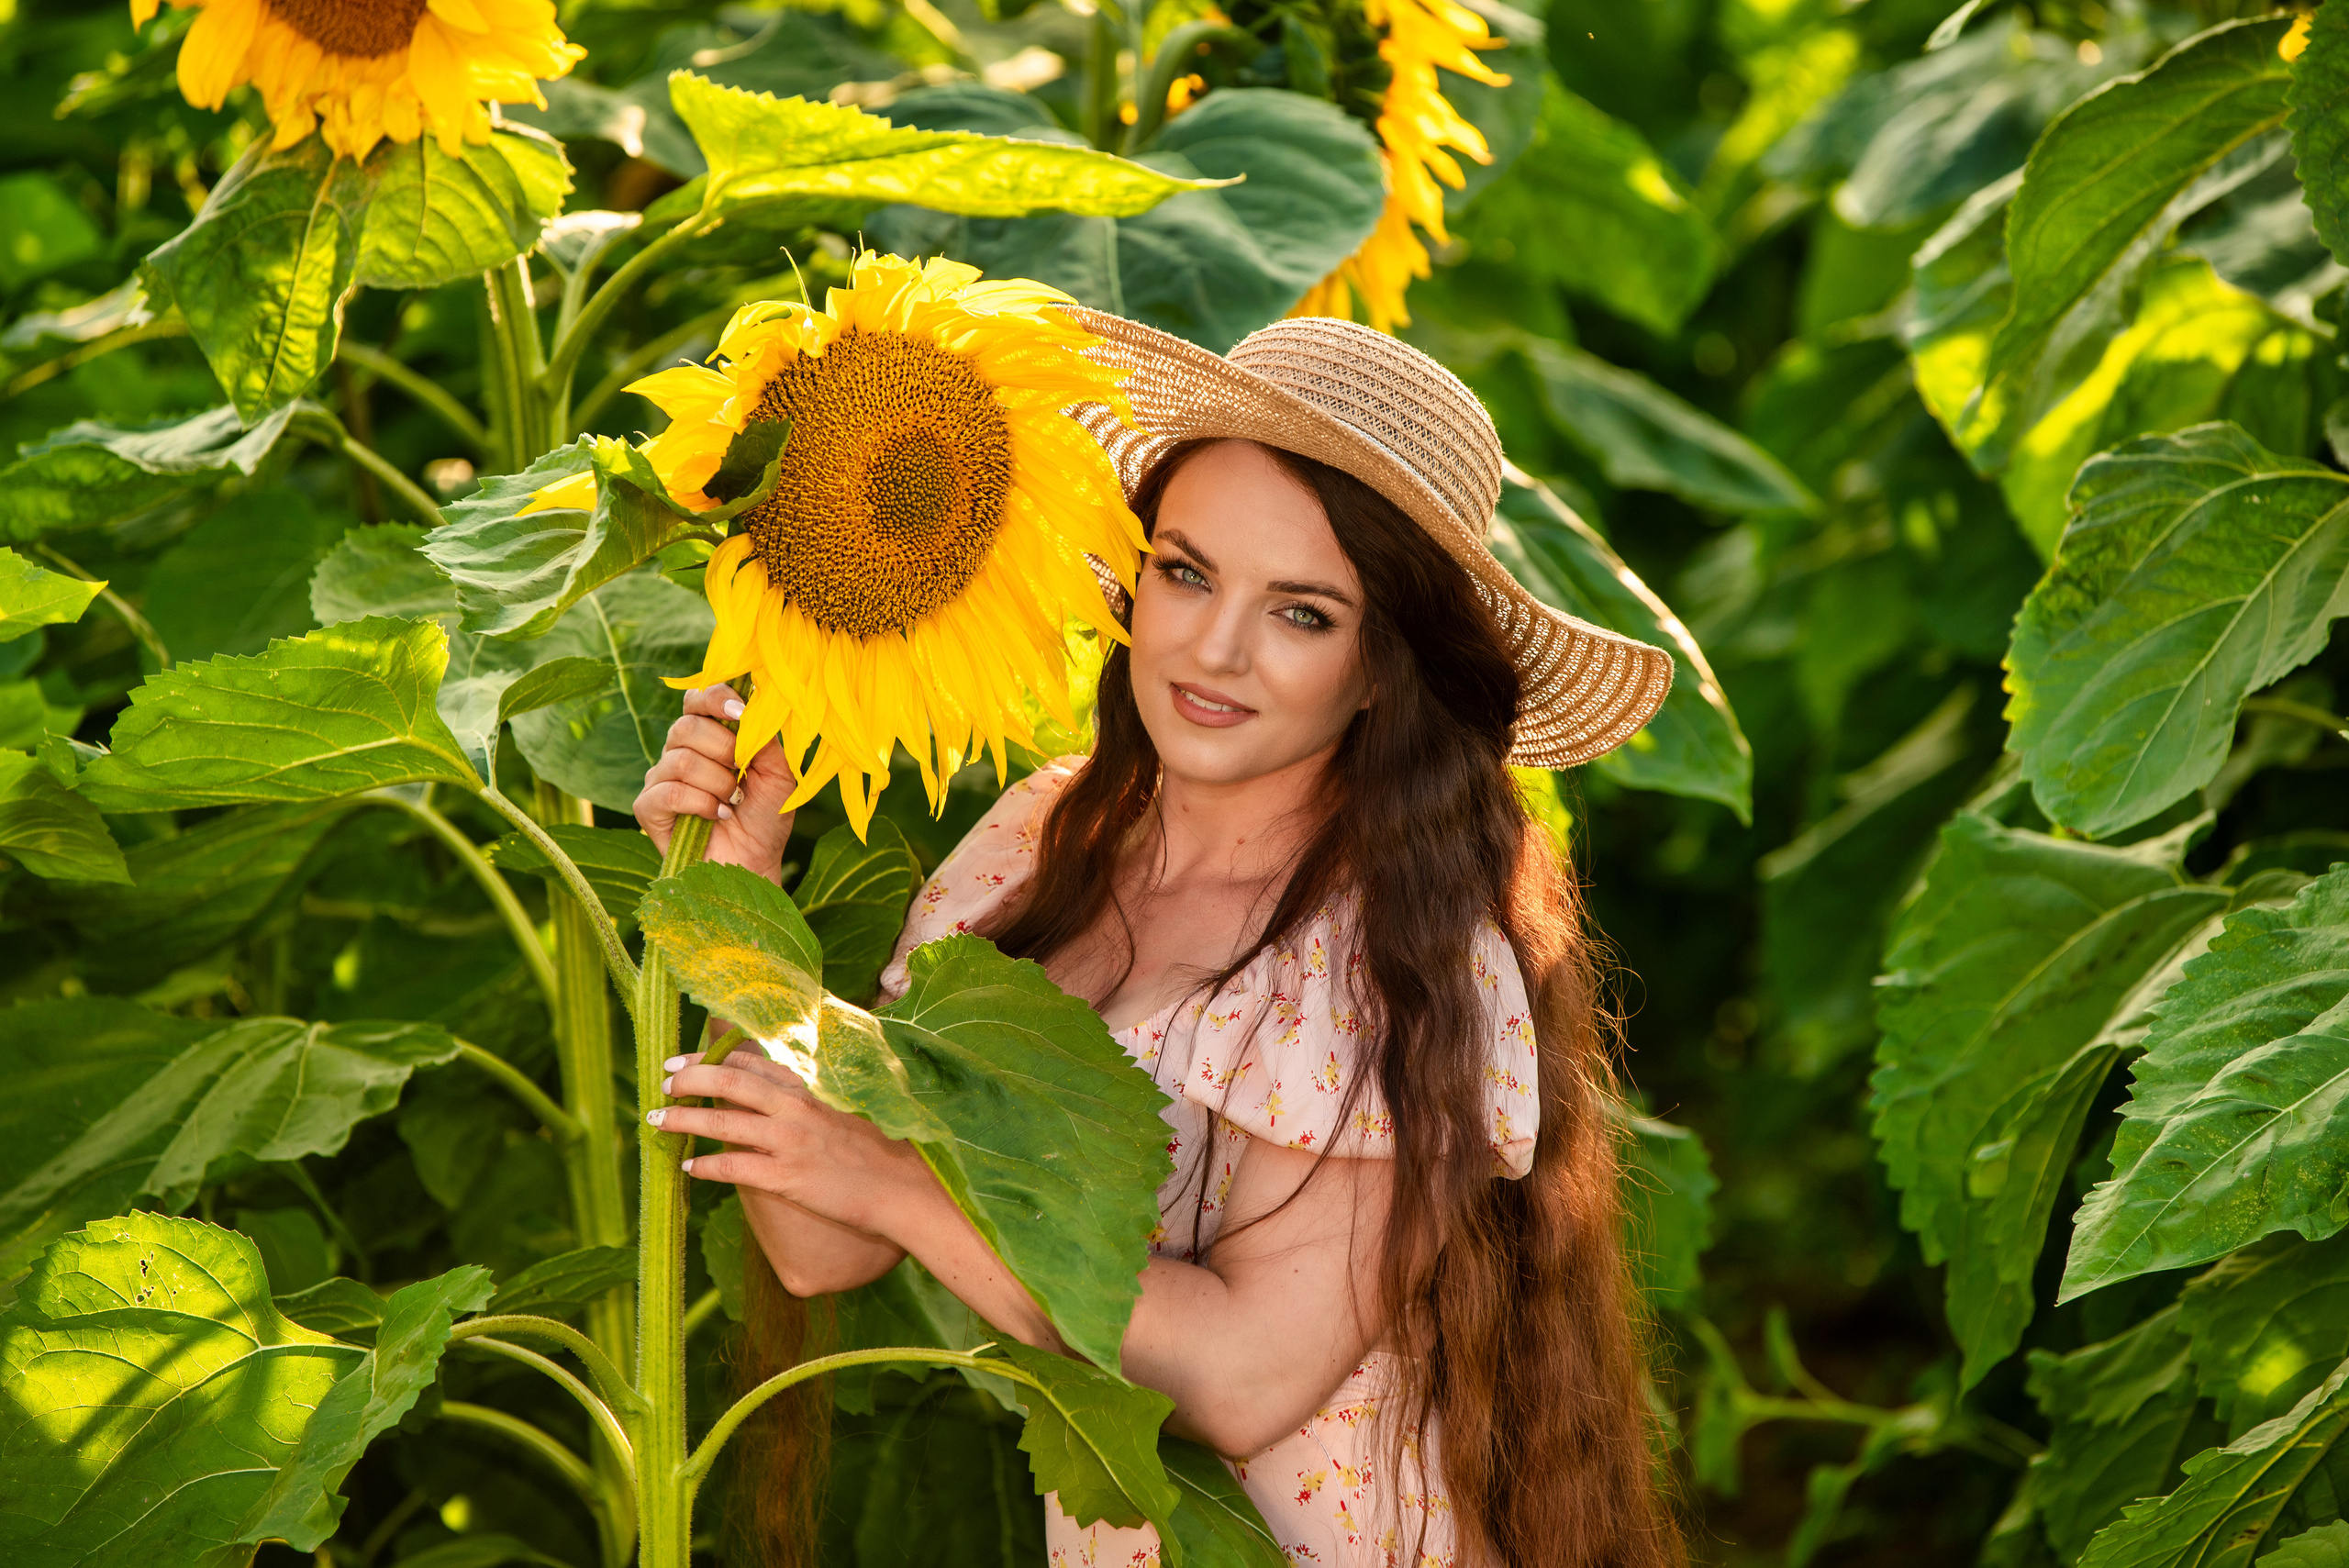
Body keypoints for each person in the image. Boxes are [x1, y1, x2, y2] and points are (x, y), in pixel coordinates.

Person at [633, 316, 1682, 1567]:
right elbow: (817, 1240)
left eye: (1301, 613)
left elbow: (1242, 1375)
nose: (1214, 649)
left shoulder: (1399, 953)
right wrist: (739, 901)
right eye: (1186, 572)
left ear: (1382, 670)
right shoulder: (1040, 842)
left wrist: (899, 1184)